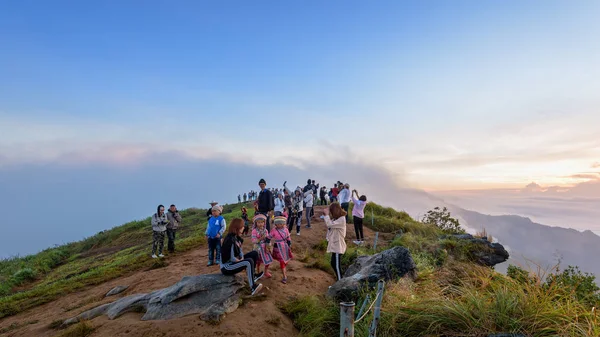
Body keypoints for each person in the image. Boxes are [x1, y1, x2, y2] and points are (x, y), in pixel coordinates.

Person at [220, 218, 264, 295]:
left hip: (234, 262)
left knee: (254, 253)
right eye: (242, 226)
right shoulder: (229, 239)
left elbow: (240, 251)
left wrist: (242, 257)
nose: (243, 228)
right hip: (227, 266)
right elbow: (232, 258)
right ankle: (252, 287)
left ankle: (253, 276)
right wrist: (241, 261)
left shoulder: (237, 237)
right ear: (237, 227)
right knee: (248, 261)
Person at [323, 202, 347, 281]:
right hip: (335, 245)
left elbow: (329, 225)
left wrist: (326, 215)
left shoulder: (341, 219)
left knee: (336, 266)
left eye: (331, 211)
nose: (330, 213)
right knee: (333, 264)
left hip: (338, 246)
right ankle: (339, 281)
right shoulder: (336, 219)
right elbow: (329, 225)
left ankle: (340, 284)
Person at [270, 216, 292, 284]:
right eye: (278, 224)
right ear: (276, 224)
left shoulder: (286, 229)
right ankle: (284, 276)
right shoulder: (274, 230)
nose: (280, 225)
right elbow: (268, 237)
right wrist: (267, 244)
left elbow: (288, 238)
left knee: (285, 261)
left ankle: (284, 270)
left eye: (281, 224)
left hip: (285, 247)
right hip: (278, 248)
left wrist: (289, 245)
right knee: (282, 262)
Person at [252, 214, 273, 278]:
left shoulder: (266, 230)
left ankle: (266, 271)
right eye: (258, 222)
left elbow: (268, 239)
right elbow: (253, 241)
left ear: (264, 223)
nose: (260, 224)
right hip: (258, 248)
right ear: (256, 223)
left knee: (268, 260)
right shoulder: (254, 231)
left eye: (262, 222)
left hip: (265, 247)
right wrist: (260, 239)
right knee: (258, 261)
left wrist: (269, 246)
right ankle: (258, 272)